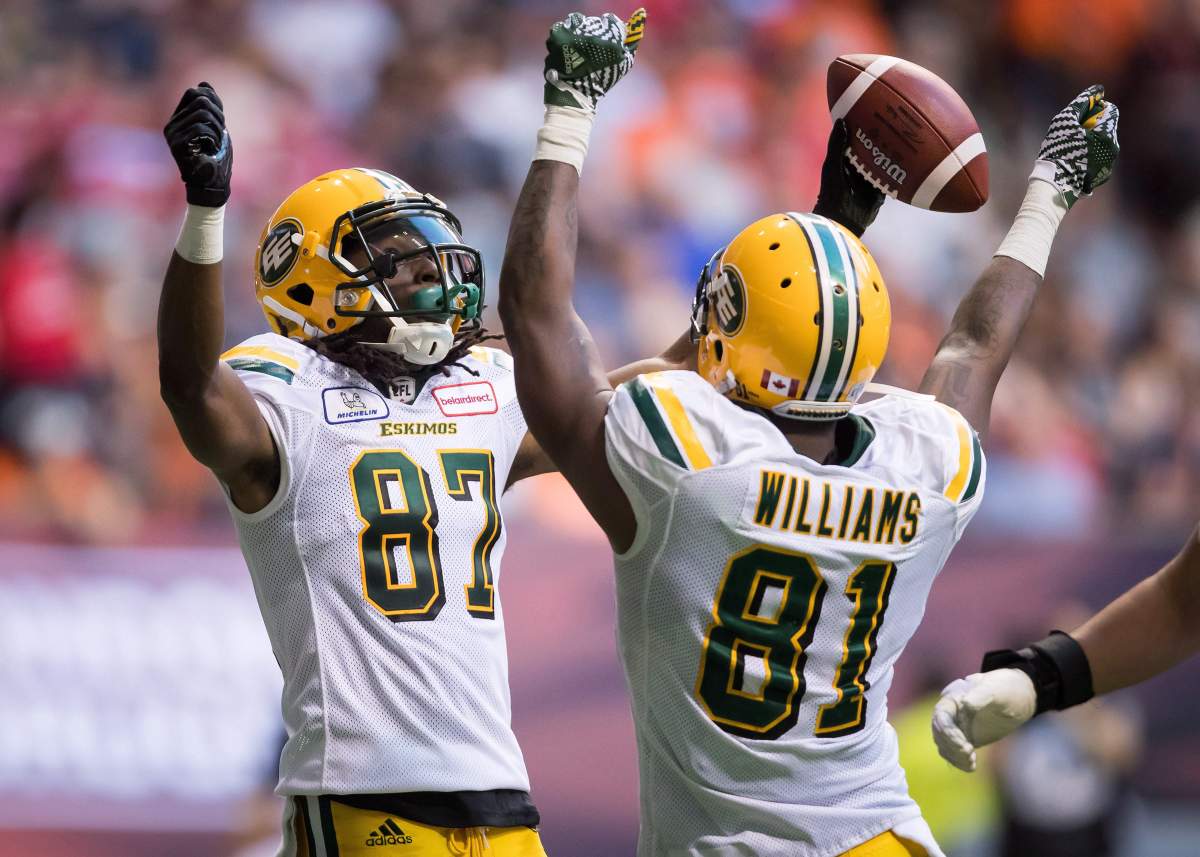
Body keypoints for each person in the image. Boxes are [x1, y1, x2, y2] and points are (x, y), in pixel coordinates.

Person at [497, 9, 1120, 856]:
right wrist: (1049, 190)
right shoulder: (924, 464)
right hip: (882, 838)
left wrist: (569, 109)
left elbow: (539, 325)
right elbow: (973, 348)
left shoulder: (686, 460)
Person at [158, 81, 688, 856]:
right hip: (362, 795)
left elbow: (630, 394)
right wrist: (206, 214)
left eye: (432, 251)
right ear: (311, 283)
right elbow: (189, 381)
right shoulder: (284, 389)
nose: (433, 274)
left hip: (501, 797)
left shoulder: (486, 387)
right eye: (398, 259)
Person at [932, 528, 1198, 773]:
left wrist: (1067, 701)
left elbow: (1118, 752)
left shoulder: (1112, 694)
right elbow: (994, 763)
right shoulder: (1022, 691)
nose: (1067, 648)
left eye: (1073, 638)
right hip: (1027, 820)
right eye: (1059, 641)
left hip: (1094, 820)